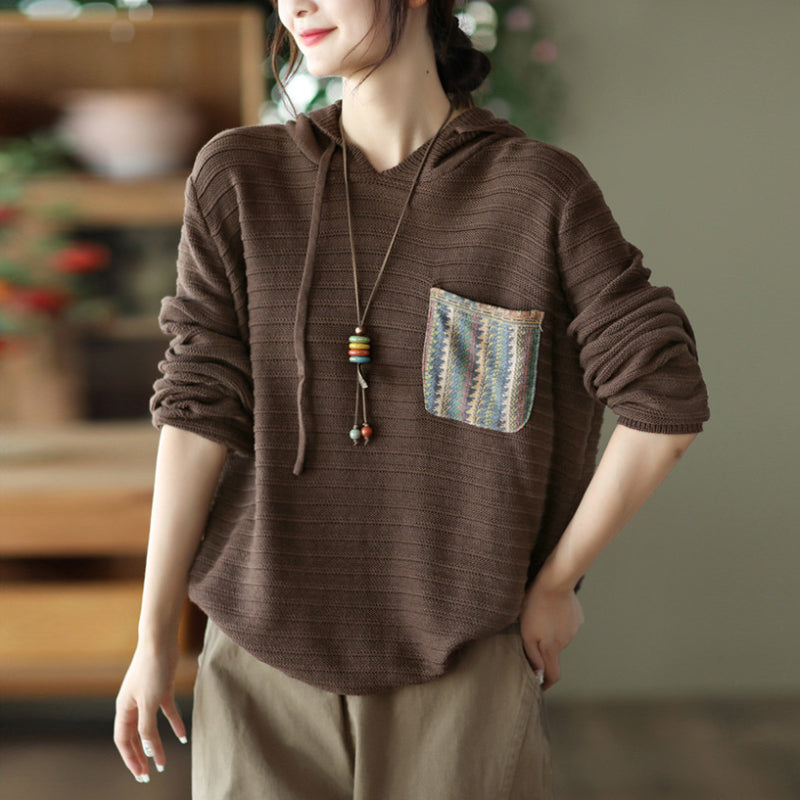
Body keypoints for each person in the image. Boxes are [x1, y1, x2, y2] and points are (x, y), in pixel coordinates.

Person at [113, 0, 710, 795]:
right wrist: (154, 638)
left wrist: (556, 583)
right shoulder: (238, 178)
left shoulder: (535, 191)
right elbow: (195, 411)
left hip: (463, 671)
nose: (297, 4)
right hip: (257, 667)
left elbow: (664, 397)